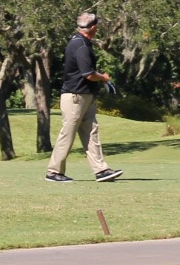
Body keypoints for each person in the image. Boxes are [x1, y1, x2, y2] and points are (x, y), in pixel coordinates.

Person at [46, 12, 123, 183]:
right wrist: (103, 77)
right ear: (93, 27)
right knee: (68, 133)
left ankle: (101, 170)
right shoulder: (80, 45)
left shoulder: (82, 42)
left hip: (84, 96)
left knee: (91, 133)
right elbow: (88, 74)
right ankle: (53, 172)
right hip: (75, 97)